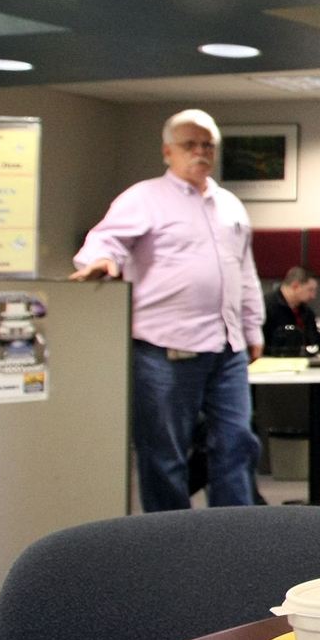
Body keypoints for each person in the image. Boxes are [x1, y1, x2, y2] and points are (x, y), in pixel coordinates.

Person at [72, 109, 265, 512]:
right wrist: (103, 262)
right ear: (167, 151)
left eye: (207, 145)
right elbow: (105, 241)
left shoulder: (229, 205)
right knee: (164, 452)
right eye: (190, 145)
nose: (200, 152)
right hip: (164, 348)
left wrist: (253, 329)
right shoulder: (144, 198)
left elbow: (243, 271)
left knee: (236, 444)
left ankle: (238, 535)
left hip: (226, 348)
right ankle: (169, 540)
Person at [262, 266, 320, 356]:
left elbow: (315, 341)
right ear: (295, 286)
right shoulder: (265, 308)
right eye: (310, 290)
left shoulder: (305, 312)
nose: (313, 296)